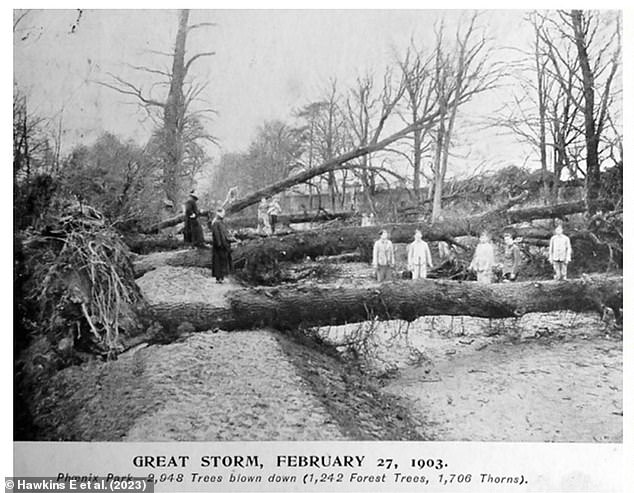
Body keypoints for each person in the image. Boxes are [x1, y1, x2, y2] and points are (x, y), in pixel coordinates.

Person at [211, 207, 232, 283]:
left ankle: (221, 277)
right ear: (218, 213)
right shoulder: (216, 222)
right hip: (218, 246)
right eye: (223, 212)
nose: (224, 214)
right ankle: (218, 278)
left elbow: (224, 234)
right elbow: (217, 235)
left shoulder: (220, 222)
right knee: (218, 262)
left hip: (223, 245)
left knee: (222, 262)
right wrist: (220, 244)